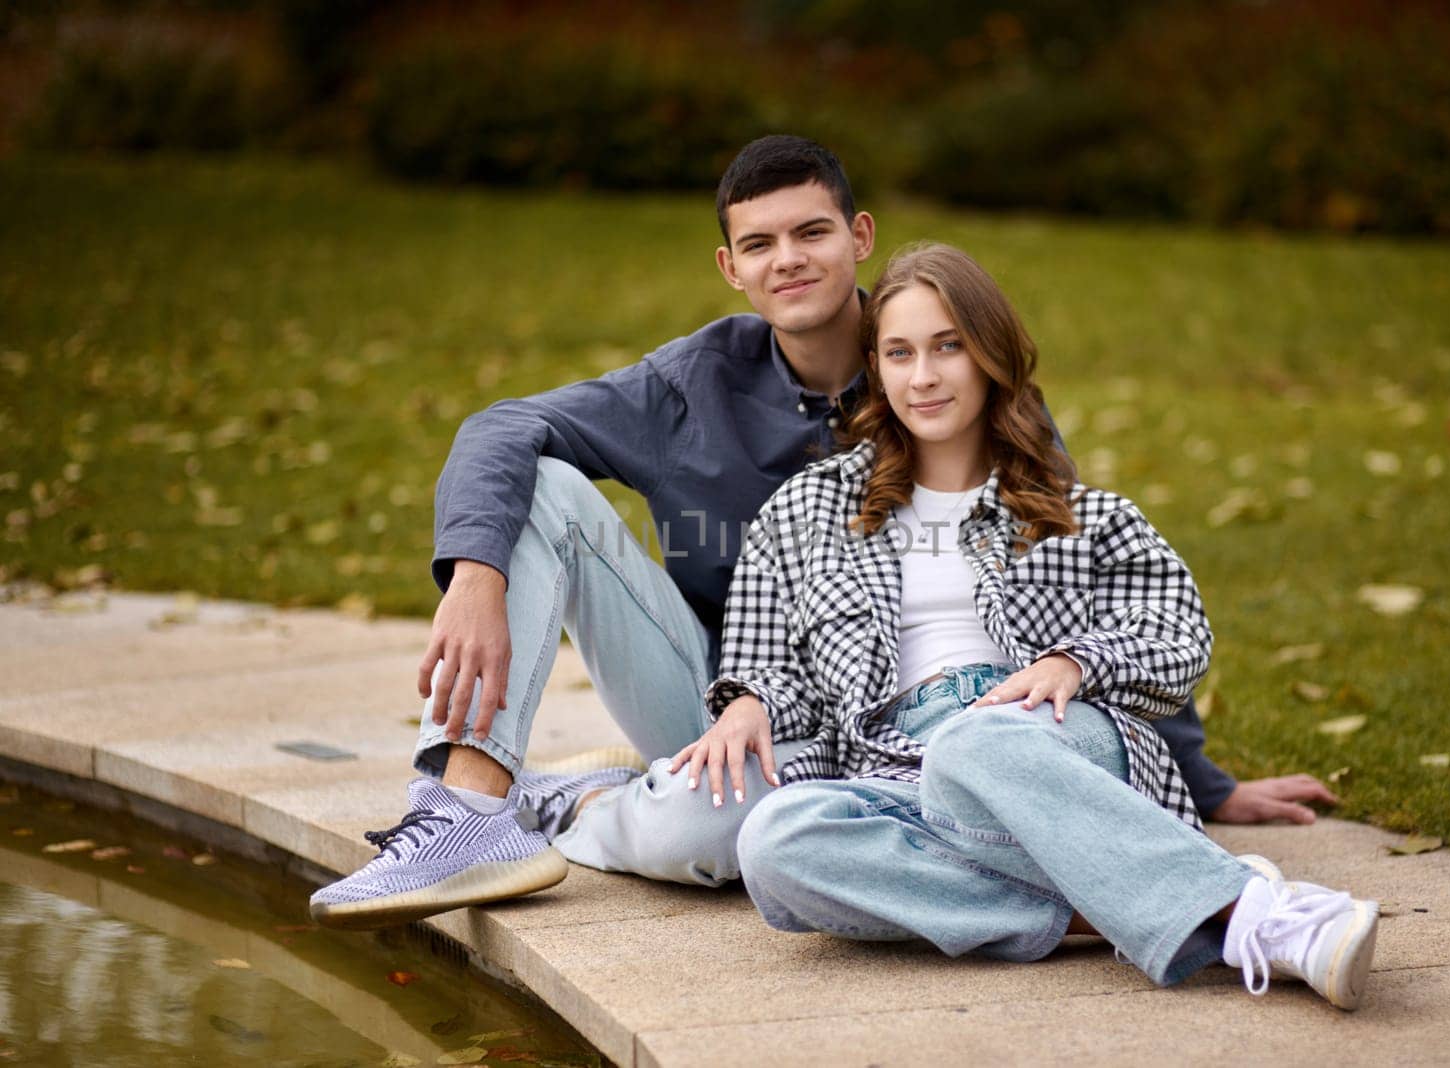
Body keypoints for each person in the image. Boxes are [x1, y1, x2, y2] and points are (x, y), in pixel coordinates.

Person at [309, 136, 1335, 930]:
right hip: (720, 702)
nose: (787, 259)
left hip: (904, 736)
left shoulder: (948, 382)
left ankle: (584, 806)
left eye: (811, 231)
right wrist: (476, 572)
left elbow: (1078, 588)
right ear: (730, 266)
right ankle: (469, 809)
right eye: (759, 243)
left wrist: (1200, 782)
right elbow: (503, 427)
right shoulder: (684, 385)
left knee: (735, 845)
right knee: (537, 490)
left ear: (861, 235)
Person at [686, 243, 1378, 1007]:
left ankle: (1266, 922)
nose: (924, 376)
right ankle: (1174, 904)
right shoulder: (807, 510)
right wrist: (749, 697)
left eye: (949, 346)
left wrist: (1076, 662)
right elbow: (763, 657)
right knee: (775, 840)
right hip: (895, 772)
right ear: (874, 370)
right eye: (899, 352)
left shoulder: (1080, 515)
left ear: (991, 356)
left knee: (970, 741)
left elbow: (1178, 629)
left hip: (1049, 739)